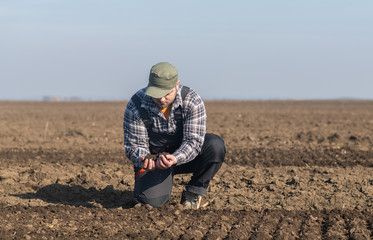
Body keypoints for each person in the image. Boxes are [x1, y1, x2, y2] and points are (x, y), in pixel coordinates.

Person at [123, 62, 225, 209]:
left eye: (167, 94)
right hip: (155, 163)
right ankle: (155, 187)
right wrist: (143, 158)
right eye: (157, 94)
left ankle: (193, 192)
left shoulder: (192, 101)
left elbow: (193, 141)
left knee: (215, 145)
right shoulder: (136, 105)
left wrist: (175, 158)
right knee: (151, 205)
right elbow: (134, 145)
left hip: (183, 157)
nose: (162, 99)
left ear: (177, 85)